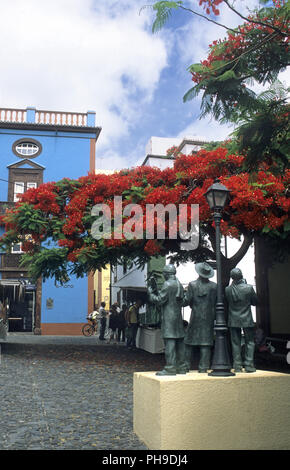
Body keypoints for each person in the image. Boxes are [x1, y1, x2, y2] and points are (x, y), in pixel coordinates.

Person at [148, 264, 187, 376]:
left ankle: (170, 367)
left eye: (164, 273)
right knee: (179, 342)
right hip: (177, 317)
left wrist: (151, 293)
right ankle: (181, 366)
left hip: (169, 318)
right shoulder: (178, 284)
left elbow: (160, 300)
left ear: (166, 274)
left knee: (170, 342)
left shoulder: (167, 284)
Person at [183, 262, 217, 373]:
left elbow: (187, 301)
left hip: (196, 316)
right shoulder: (214, 286)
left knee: (188, 342)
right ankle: (203, 367)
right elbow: (215, 303)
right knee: (206, 343)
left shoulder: (192, 285)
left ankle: (186, 365)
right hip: (208, 317)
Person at [225, 267, 258, 373]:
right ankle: (249, 364)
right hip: (246, 318)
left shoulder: (228, 289)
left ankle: (237, 365)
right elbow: (255, 302)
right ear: (242, 275)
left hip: (233, 318)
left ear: (232, 278)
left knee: (235, 343)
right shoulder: (249, 288)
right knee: (250, 342)